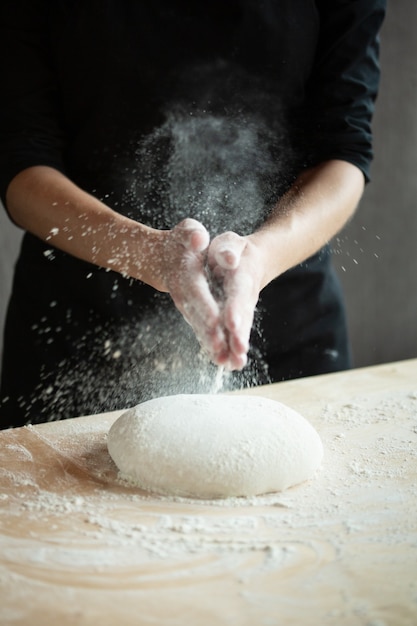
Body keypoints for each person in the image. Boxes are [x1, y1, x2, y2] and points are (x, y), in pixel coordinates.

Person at [0, 0, 386, 428]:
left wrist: (258, 258)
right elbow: (22, 165)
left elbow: (344, 152)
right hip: (78, 328)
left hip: (288, 326)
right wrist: (149, 253)